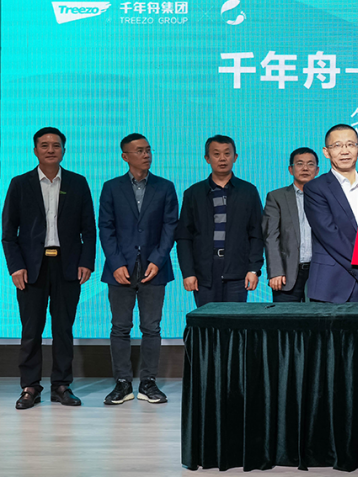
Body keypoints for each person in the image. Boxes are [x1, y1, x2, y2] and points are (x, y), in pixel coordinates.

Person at [2, 127, 96, 409]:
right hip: (31, 268)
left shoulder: (78, 182)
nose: (51, 149)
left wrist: (86, 262)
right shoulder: (20, 183)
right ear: (35, 151)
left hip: (68, 265)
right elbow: (8, 233)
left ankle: (62, 385)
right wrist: (15, 267)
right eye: (44, 145)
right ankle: (30, 386)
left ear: (64, 150)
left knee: (63, 328)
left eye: (56, 145)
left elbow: (89, 229)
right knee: (31, 329)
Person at [98, 133, 179, 405]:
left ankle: (148, 382)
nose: (146, 155)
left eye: (148, 150)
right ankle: (122, 383)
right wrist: (116, 263)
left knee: (151, 327)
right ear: (125, 156)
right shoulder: (111, 187)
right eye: (140, 151)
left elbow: (170, 226)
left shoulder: (165, 187)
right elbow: (106, 228)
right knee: (120, 327)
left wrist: (158, 259)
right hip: (119, 269)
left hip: (154, 268)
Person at [303, 124, 358, 303]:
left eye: (350, 144)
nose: (344, 151)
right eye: (337, 145)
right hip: (331, 284)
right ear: (326, 152)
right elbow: (329, 233)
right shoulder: (315, 188)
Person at [176, 135, 264, 307]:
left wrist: (254, 269)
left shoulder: (248, 191)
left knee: (235, 321)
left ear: (235, 157)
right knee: (207, 321)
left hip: (237, 272)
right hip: (204, 273)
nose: (222, 158)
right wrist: (188, 272)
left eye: (227, 153)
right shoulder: (193, 193)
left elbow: (257, 234)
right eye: (216, 154)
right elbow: (184, 237)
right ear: (207, 158)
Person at [263, 147, 319, 302]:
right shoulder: (276, 197)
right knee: (284, 317)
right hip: (286, 274)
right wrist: (275, 271)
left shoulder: (326, 198)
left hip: (319, 273)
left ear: (317, 170)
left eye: (310, 164)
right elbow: (271, 236)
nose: (305, 168)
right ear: (290, 169)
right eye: (299, 164)